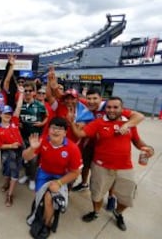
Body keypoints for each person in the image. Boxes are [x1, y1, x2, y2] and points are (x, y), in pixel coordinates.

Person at [69, 97, 154, 231]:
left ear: (122, 109)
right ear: (105, 109)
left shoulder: (130, 124)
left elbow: (138, 142)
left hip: (125, 167)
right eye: (109, 107)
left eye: (115, 107)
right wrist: (71, 122)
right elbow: (80, 133)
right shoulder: (98, 122)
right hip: (100, 167)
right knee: (96, 195)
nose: (112, 110)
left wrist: (149, 149)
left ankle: (118, 213)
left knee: (127, 199)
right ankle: (96, 212)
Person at [71, 88, 144, 211]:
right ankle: (84, 184)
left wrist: (126, 125)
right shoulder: (87, 107)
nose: (92, 101)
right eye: (89, 98)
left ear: (101, 100)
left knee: (112, 177)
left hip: (109, 150)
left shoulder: (111, 108)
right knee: (87, 167)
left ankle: (111, 197)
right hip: (92, 144)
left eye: (95, 98)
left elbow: (139, 116)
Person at [22, 117, 82, 238]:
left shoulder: (72, 148)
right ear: (48, 130)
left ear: (65, 132)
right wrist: (32, 148)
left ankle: (47, 224)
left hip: (61, 176)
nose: (56, 131)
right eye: (53, 128)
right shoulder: (42, 140)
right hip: (44, 173)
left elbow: (76, 172)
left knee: (49, 198)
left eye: (60, 129)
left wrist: (59, 183)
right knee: (40, 196)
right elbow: (26, 157)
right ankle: (41, 214)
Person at [0, 86, 24, 207]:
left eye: (9, 113)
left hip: (18, 152)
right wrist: (11, 145)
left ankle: (9, 195)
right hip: (7, 152)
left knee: (15, 173)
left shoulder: (14, 122)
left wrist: (21, 93)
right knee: (7, 170)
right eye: (5, 113)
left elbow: (19, 107)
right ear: (1, 114)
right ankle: (6, 184)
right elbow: (0, 146)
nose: (8, 115)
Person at [18, 81, 48, 191]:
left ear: (34, 92)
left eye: (30, 91)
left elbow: (46, 117)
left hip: (35, 138)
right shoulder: (20, 104)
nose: (27, 93)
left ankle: (32, 179)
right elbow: (15, 117)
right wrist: (17, 123)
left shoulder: (39, 105)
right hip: (22, 137)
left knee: (34, 160)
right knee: (25, 158)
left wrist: (42, 123)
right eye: (25, 91)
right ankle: (26, 175)